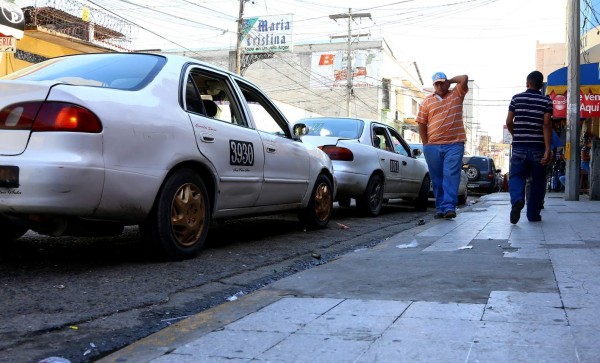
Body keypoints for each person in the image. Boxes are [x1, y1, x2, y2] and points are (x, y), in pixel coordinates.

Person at [416, 72, 469, 219]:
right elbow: (421, 123)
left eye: (442, 82)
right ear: (433, 85)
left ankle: (449, 207)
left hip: (454, 144)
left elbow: (464, 78)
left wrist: (450, 81)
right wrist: (426, 144)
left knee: (451, 176)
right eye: (436, 83)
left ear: (446, 83)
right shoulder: (427, 101)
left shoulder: (457, 94)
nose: (439, 86)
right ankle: (440, 208)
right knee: (437, 179)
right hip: (433, 146)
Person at [506, 70, 552, 224]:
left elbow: (509, 121)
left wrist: (516, 135)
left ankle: (518, 199)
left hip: (519, 146)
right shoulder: (546, 101)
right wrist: (547, 149)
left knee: (517, 176)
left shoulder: (516, 99)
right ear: (541, 85)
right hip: (538, 147)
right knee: (537, 181)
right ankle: (533, 215)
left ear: (528, 83)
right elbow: (546, 124)